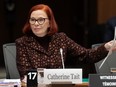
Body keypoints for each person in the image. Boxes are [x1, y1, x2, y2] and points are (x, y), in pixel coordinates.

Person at [15, 4, 116, 81]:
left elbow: (86, 55)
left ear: (49, 22)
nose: (36, 24)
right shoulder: (22, 43)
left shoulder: (61, 39)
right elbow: (25, 74)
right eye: (32, 20)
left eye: (41, 20)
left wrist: (106, 47)